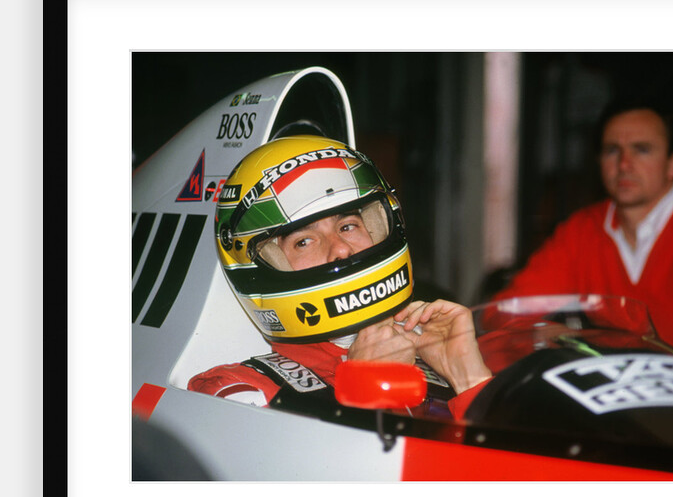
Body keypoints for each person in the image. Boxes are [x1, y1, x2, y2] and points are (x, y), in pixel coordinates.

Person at [188, 135, 491, 407]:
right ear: (262, 265)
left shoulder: (436, 366)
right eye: (304, 241)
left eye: (348, 226)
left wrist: (467, 377)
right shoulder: (242, 392)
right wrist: (360, 395)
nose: (341, 249)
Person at [491, 99, 673, 363]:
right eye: (613, 150)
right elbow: (505, 313)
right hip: (608, 397)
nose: (624, 164)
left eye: (642, 150)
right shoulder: (582, 229)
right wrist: (541, 333)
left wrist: (586, 340)